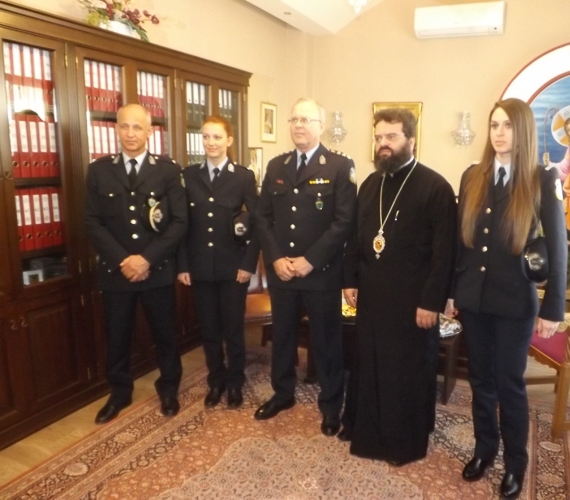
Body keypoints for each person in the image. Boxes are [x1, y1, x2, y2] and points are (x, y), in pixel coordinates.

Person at [447, 98, 567, 499]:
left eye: (508, 126)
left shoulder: (541, 178)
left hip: (515, 303)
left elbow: (558, 246)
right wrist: (452, 292)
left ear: (523, 131)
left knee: (509, 383)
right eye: (494, 125)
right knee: (480, 379)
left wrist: (552, 309)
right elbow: (460, 242)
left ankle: (516, 462)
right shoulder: (473, 176)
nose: (499, 133)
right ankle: (485, 450)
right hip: (475, 301)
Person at [339, 108, 457, 466]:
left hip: (413, 304)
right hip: (372, 297)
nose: (383, 144)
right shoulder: (370, 184)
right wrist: (349, 280)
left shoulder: (436, 187)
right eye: (379, 138)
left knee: (405, 373)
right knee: (370, 365)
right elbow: (356, 239)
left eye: (391, 137)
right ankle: (367, 432)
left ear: (411, 140)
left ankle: (402, 442)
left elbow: (444, 254)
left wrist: (431, 302)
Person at [254, 97, 357, 436]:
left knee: (326, 342)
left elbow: (344, 222)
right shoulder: (277, 166)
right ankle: (282, 394)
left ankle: (331, 405)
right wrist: (275, 258)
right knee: (283, 336)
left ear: (320, 126)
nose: (299, 125)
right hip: (283, 272)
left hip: (321, 274)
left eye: (306, 120)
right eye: (294, 119)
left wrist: (311, 260)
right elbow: (262, 217)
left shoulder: (339, 166)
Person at [85, 103, 187, 424]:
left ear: (149, 131)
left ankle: (169, 388)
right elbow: (92, 222)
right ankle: (119, 392)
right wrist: (123, 260)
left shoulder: (167, 170)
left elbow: (179, 222)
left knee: (165, 335)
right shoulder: (99, 171)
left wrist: (146, 259)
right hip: (116, 272)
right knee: (117, 335)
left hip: (156, 269)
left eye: (137, 127)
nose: (130, 133)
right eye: (125, 126)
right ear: (117, 129)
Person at [177, 116, 260, 409]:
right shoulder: (189, 176)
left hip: (233, 268)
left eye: (217, 137)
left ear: (229, 140)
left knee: (233, 331)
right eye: (206, 137)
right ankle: (216, 381)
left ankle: (235, 382)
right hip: (200, 267)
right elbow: (182, 225)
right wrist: (183, 265)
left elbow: (257, 223)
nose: (210, 143)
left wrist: (248, 264)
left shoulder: (243, 177)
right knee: (210, 331)